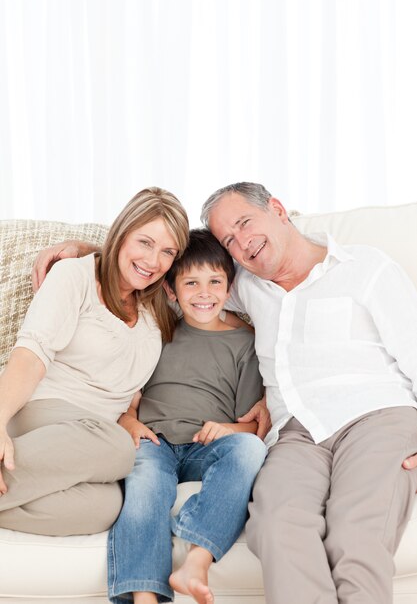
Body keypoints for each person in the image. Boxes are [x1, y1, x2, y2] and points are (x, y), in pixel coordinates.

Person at [200, 182, 417, 604]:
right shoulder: (242, 285)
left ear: (278, 210)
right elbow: (167, 278)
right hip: (294, 436)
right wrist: (85, 251)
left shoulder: (365, 267)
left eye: (245, 222)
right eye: (229, 240)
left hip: (377, 416)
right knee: (277, 525)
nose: (242, 243)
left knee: (355, 535)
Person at [0, 187, 189, 535]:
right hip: (45, 412)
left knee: (103, 508)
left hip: (90, 438)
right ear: (121, 233)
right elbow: (31, 353)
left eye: (167, 252)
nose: (152, 261)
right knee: (120, 449)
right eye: (144, 242)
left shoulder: (159, 304)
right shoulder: (74, 276)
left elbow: (220, 292)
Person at [108, 228, 267, 604]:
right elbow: (128, 398)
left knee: (248, 450)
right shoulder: (157, 329)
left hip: (206, 445)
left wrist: (228, 429)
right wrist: (129, 421)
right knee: (146, 484)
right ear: (171, 290)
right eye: (191, 283)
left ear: (230, 288)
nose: (204, 293)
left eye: (215, 282)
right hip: (155, 440)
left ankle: (197, 560)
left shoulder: (245, 343)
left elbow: (252, 426)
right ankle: (144, 596)